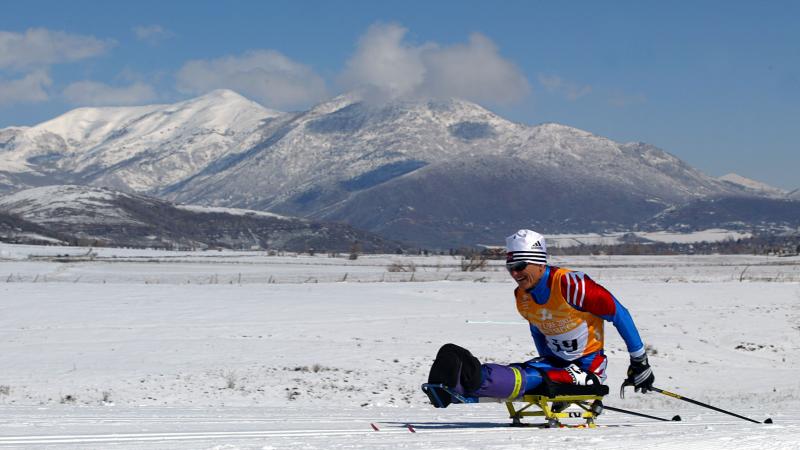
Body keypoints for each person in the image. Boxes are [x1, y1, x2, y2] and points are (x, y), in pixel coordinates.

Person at [426, 229, 654, 407]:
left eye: (519, 266)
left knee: (534, 376)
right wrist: (550, 364)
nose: (514, 274)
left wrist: (639, 361)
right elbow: (538, 330)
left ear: (538, 262)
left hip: (587, 368)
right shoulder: (522, 296)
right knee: (527, 372)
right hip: (555, 362)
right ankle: (458, 386)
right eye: (510, 268)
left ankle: (473, 377)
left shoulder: (571, 285)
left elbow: (619, 313)